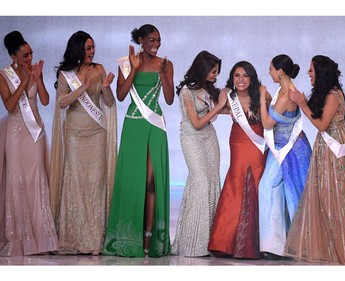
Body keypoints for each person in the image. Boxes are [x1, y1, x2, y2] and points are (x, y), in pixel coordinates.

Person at [285, 55, 345, 264]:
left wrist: (302, 103)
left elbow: (322, 124)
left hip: (334, 149)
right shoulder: (329, 93)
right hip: (328, 146)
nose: (308, 73)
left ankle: (343, 246)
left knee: (335, 195)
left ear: (321, 72)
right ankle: (329, 245)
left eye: (311, 70)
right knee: (326, 195)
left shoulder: (333, 95)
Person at [103, 24, 174, 258]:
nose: (156, 44)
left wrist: (164, 75)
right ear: (141, 40)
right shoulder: (126, 62)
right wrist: (133, 69)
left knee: (152, 183)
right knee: (135, 183)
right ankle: (128, 238)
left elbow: (170, 99)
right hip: (133, 125)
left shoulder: (166, 64)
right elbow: (121, 95)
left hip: (155, 126)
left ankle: (149, 239)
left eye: (159, 40)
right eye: (152, 40)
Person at [50, 30, 117, 255]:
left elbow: (107, 102)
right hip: (75, 134)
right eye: (88, 48)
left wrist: (106, 87)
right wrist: (82, 87)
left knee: (95, 183)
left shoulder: (99, 69)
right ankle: (74, 236)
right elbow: (61, 103)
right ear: (78, 49)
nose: (92, 51)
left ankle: (94, 238)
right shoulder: (65, 74)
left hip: (96, 133)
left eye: (93, 47)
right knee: (76, 183)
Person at [0, 30, 58, 256]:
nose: (29, 59)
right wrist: (24, 80)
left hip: (35, 131)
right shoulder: (4, 76)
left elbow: (44, 100)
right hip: (15, 133)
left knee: (36, 179)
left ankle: (41, 236)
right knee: (16, 180)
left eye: (31, 54)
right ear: (14, 56)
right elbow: (11, 106)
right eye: (25, 56)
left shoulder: (34, 70)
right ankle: (18, 237)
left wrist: (38, 78)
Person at [207, 61, 271, 259]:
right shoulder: (227, 96)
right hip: (238, 141)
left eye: (245, 75)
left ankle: (261, 243)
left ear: (251, 78)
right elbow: (216, 112)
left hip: (258, 142)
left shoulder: (262, 94)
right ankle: (226, 241)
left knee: (259, 182)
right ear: (232, 78)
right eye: (237, 75)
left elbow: (272, 117)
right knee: (236, 182)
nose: (240, 80)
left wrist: (261, 96)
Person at [171, 50, 227, 257]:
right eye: (213, 71)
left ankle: (208, 242)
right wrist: (219, 105)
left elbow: (221, 110)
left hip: (209, 139)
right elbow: (196, 123)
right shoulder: (187, 91)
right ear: (203, 69)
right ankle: (192, 243)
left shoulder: (208, 89)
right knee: (201, 182)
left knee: (212, 182)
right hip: (192, 139)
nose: (215, 75)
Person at [258, 54, 312, 259]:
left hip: (289, 151)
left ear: (280, 71)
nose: (269, 72)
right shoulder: (284, 90)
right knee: (273, 189)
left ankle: (282, 245)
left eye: (271, 69)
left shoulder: (286, 95)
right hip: (280, 148)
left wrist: (263, 98)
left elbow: (267, 123)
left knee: (281, 191)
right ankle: (276, 245)